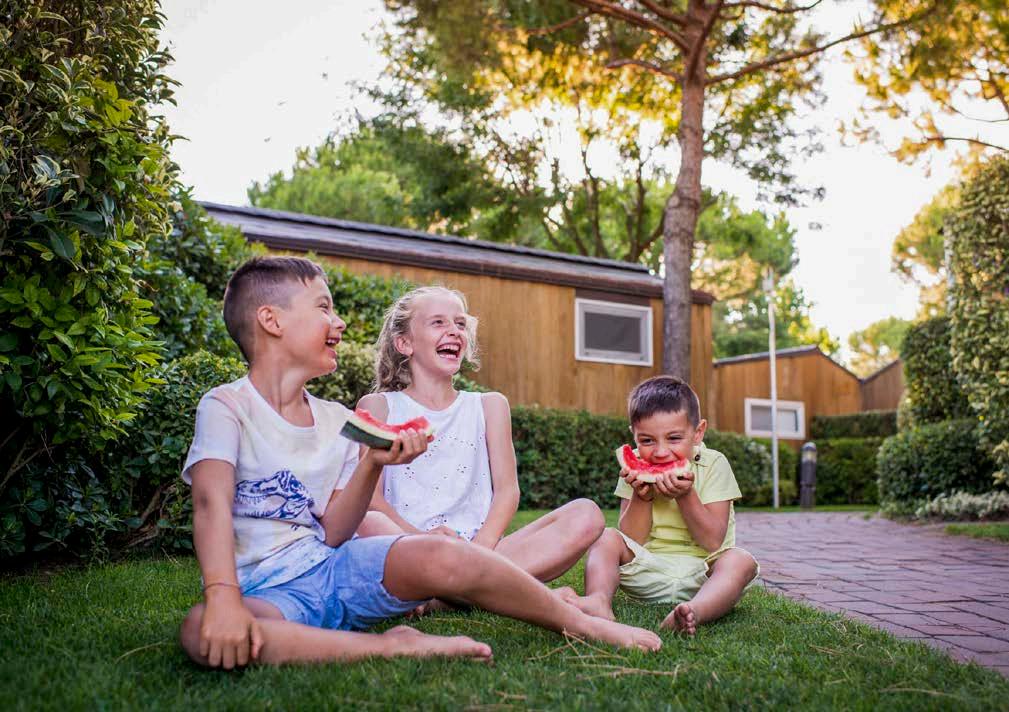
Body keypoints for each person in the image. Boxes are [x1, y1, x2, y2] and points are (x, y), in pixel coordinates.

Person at [177, 256, 661, 668]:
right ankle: (390, 646)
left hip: (335, 567)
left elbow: (335, 532)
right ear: (271, 320)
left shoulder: (337, 420)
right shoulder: (226, 406)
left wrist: (371, 464)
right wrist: (222, 596)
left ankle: (580, 623)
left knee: (444, 554)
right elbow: (209, 503)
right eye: (324, 307)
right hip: (266, 592)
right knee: (201, 629)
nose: (339, 322)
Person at [355, 286, 604, 584]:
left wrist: (477, 551)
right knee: (369, 522)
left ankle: (448, 592)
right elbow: (371, 500)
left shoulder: (490, 406)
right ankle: (475, 586)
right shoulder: (378, 407)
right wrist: (423, 541)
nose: (454, 330)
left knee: (586, 514)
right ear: (404, 343)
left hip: (482, 549)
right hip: (410, 548)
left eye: (460, 323)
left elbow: (507, 492)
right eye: (438, 322)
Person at [568, 375, 759, 635]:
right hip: (648, 572)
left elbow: (713, 541)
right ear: (634, 435)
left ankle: (695, 611)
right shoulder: (633, 465)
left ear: (698, 432)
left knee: (740, 560)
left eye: (674, 438)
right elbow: (632, 538)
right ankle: (598, 601)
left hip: (703, 576)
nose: (660, 452)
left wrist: (686, 496)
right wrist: (642, 497)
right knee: (607, 537)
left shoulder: (714, 463)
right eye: (647, 440)